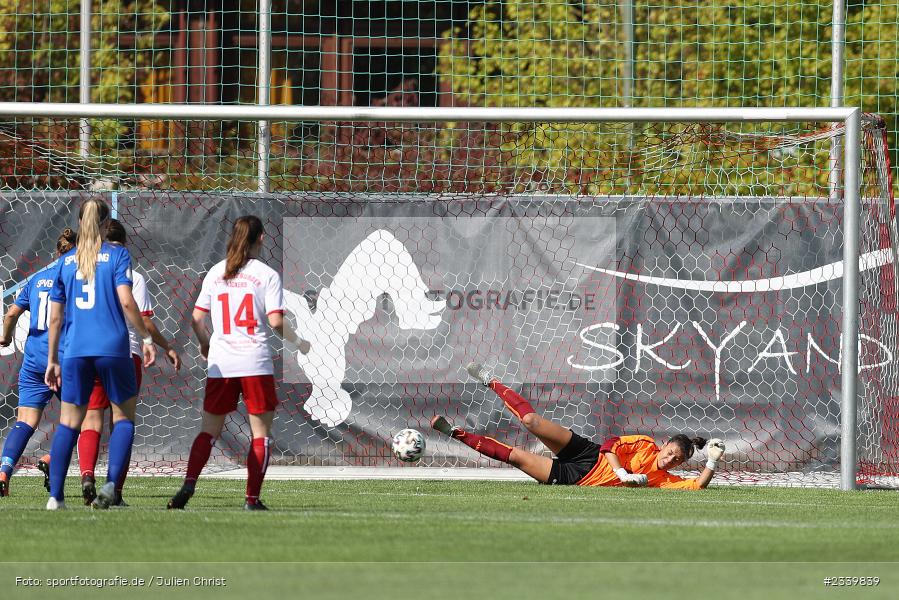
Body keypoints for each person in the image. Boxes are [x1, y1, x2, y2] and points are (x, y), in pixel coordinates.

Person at [167, 215, 299, 511]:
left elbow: (197, 318)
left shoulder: (216, 272)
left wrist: (205, 342)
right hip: (254, 361)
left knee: (208, 431)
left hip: (222, 363)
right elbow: (276, 321)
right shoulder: (266, 275)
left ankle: (188, 484)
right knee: (260, 435)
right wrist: (299, 342)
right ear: (261, 239)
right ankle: (251, 499)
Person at [430, 363, 726, 489]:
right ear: (664, 444)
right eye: (672, 451)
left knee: (518, 457)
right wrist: (622, 472)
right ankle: (491, 381)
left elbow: (697, 486)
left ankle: (454, 432)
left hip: (576, 477)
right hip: (589, 453)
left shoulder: (662, 480)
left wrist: (711, 460)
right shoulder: (646, 444)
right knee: (532, 421)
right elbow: (611, 443)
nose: (671, 459)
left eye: (677, 460)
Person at [43, 198, 157, 510]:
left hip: (76, 351)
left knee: (70, 423)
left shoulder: (65, 262)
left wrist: (53, 359)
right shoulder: (118, 254)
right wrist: (146, 338)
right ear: (107, 226)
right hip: (114, 349)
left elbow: (55, 317)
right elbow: (126, 301)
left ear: (80, 223)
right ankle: (111, 489)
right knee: (122, 421)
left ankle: (56, 497)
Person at [74, 218, 181, 506]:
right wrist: (162, 344)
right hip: (124, 352)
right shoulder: (131, 273)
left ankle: (86, 475)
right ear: (125, 243)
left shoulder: (82, 270)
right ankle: (114, 491)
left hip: (87, 352)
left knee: (90, 419)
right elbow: (142, 317)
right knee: (122, 422)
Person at [0, 229, 77, 497]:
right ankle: (51, 460)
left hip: (33, 361)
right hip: (63, 359)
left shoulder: (37, 280)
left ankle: (4, 471)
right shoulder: (76, 279)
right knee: (79, 418)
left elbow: (11, 313)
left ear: (56, 252)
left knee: (25, 421)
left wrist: (5, 337)